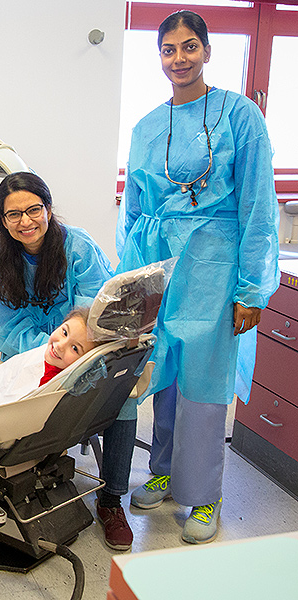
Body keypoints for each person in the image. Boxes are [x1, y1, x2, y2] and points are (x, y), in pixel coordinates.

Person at [117, 10, 280, 545]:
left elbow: (258, 205)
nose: (179, 58)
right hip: (156, 267)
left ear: (207, 52)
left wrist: (252, 289)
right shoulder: (145, 127)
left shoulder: (240, 115)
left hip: (215, 268)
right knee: (161, 373)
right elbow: (133, 211)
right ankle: (163, 471)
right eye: (169, 49)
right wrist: (130, 282)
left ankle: (204, 494)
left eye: (190, 46)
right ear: (159, 57)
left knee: (204, 385)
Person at [0, 171, 136, 551]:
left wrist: (71, 353)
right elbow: (9, 330)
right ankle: (38, 483)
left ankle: (111, 501)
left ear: (48, 209)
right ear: (2, 220)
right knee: (26, 401)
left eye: (33, 209)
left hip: (84, 353)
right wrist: (52, 353)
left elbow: (95, 315)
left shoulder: (77, 247)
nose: (25, 221)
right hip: (33, 354)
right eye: (13, 214)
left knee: (124, 400)